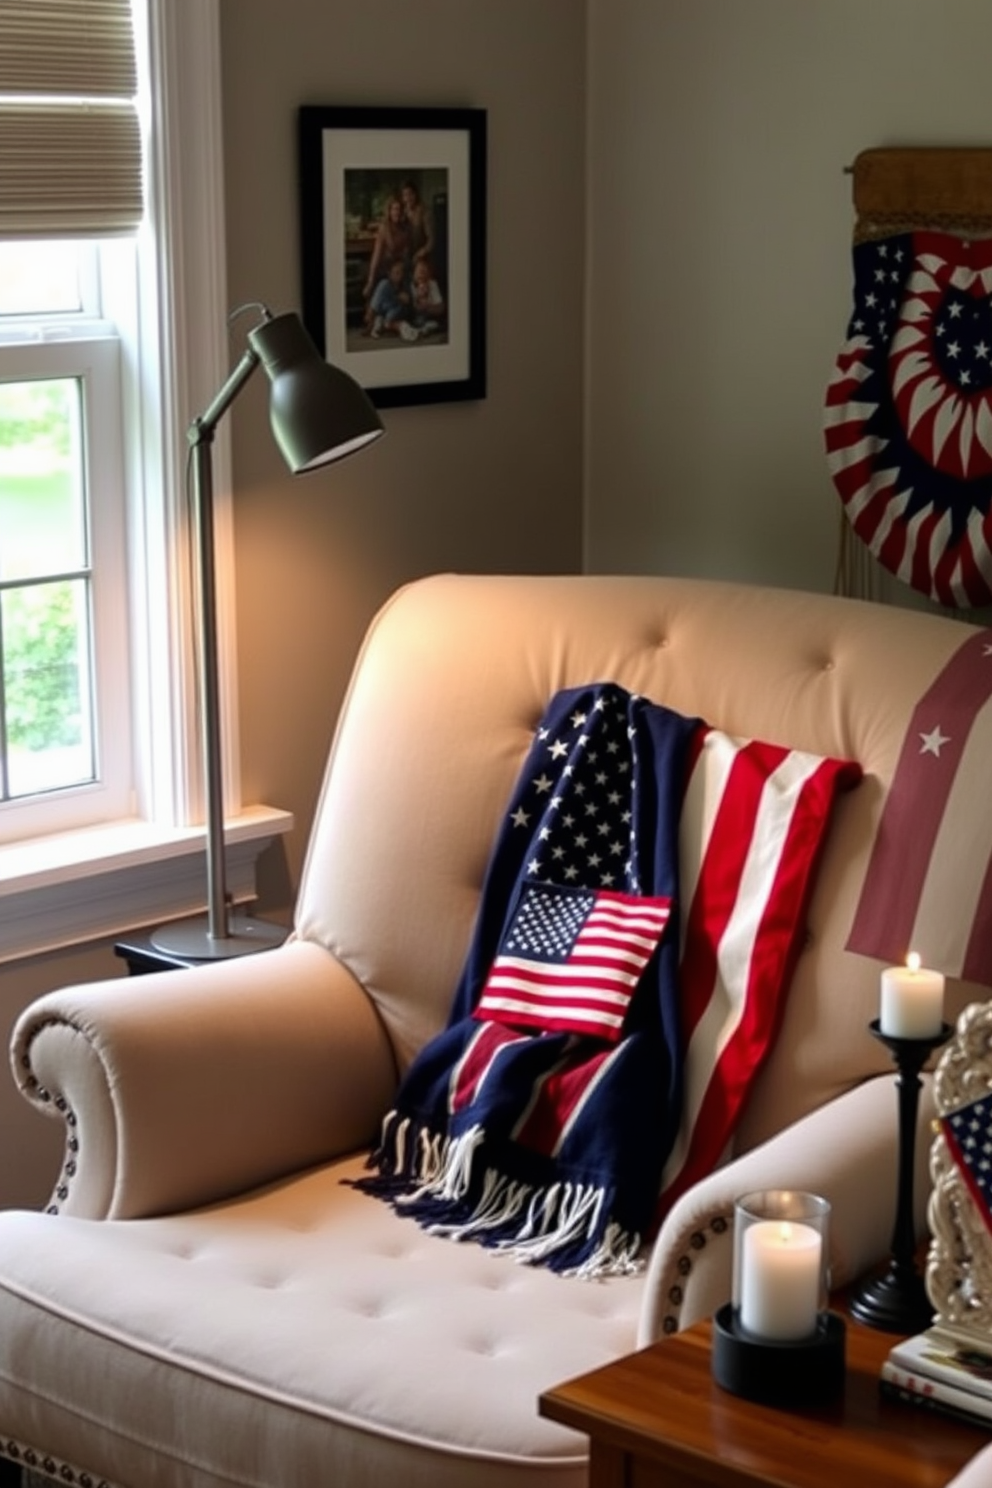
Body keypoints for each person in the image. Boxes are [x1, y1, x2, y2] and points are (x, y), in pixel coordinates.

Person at [362, 194, 411, 301]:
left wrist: (402, 268)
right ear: (389, 211)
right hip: (384, 270)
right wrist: (371, 281)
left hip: (399, 271)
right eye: (395, 209)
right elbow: (376, 256)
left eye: (400, 209)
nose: (397, 212)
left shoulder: (406, 228)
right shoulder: (384, 228)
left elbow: (406, 254)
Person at [366, 258, 413, 338]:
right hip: (384, 308)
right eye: (396, 273)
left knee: (397, 309)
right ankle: (375, 319)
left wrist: (404, 297)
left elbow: (408, 301)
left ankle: (381, 323)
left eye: (401, 273)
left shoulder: (405, 284)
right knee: (383, 284)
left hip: (397, 310)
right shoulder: (386, 284)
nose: (399, 276)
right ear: (390, 274)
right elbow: (379, 298)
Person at [408, 256, 445, 339]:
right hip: (416, 316)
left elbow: (441, 307)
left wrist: (428, 306)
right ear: (414, 273)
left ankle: (425, 329)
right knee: (417, 320)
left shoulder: (433, 284)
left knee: (434, 323)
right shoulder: (411, 286)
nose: (422, 274)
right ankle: (418, 330)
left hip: (431, 315)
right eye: (419, 271)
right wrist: (419, 298)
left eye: (424, 271)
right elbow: (414, 307)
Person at [400, 180, 434, 266]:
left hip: (422, 256)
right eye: (405, 195)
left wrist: (420, 253)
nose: (408, 198)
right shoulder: (402, 213)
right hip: (406, 256)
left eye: (410, 194)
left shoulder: (425, 212)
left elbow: (431, 241)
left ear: (415, 195)